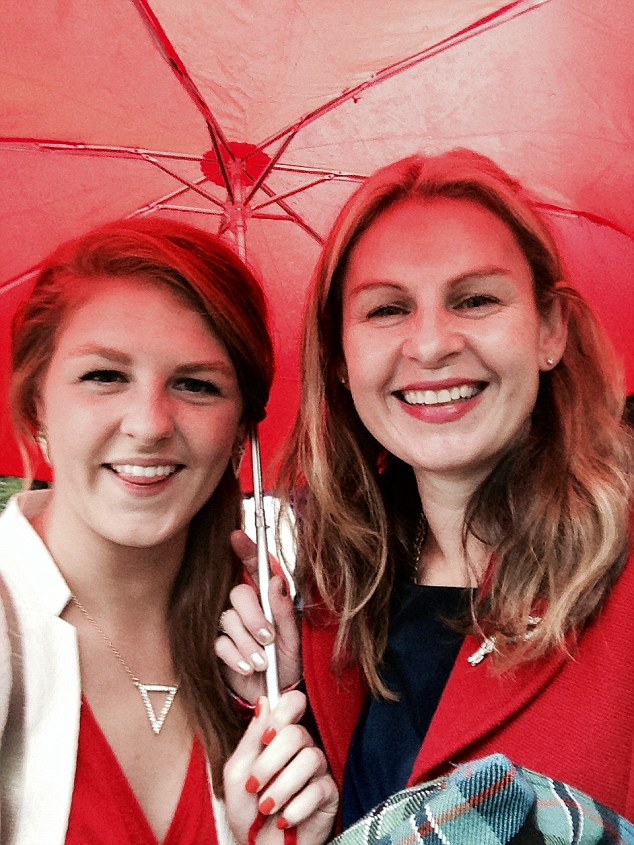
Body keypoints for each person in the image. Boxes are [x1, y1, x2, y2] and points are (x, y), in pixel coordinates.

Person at [216, 148, 634, 829]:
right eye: (387, 309)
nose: (432, 344)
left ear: (550, 329)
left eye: (476, 299)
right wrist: (283, 699)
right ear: (340, 358)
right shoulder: (334, 603)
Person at [0, 217, 337, 844]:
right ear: (35, 403)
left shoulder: (260, 653)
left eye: (195, 385)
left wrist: (286, 698)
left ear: (240, 431)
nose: (150, 424)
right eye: (105, 376)